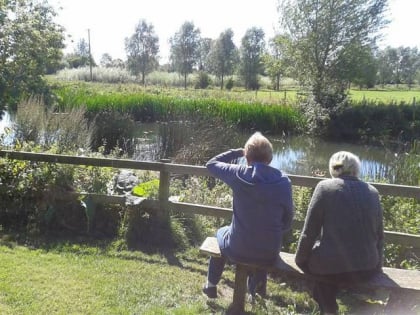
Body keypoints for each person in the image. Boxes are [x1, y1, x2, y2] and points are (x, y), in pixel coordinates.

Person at [202, 132, 294, 299]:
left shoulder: (238, 173)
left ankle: (210, 285)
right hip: (269, 252)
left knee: (220, 234)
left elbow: (211, 163)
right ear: (270, 159)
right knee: (262, 242)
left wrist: (237, 152)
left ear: (247, 157)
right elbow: (288, 219)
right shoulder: (284, 181)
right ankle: (255, 293)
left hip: (238, 249)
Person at [295, 151, 384, 315]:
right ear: (356, 170)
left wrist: (300, 260)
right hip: (366, 268)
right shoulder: (372, 192)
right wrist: (377, 266)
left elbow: (309, 233)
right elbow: (379, 236)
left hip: (332, 267)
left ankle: (329, 309)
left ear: (334, 169)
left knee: (322, 271)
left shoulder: (324, 188)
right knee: (329, 267)